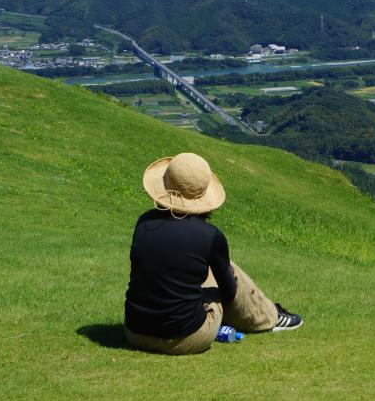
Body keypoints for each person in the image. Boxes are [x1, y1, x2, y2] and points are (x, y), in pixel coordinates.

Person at [124, 152, 303, 355]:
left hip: (135, 333)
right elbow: (229, 292)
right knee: (228, 271)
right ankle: (268, 317)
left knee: (203, 267)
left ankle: (268, 313)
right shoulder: (210, 235)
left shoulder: (144, 222)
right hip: (185, 338)